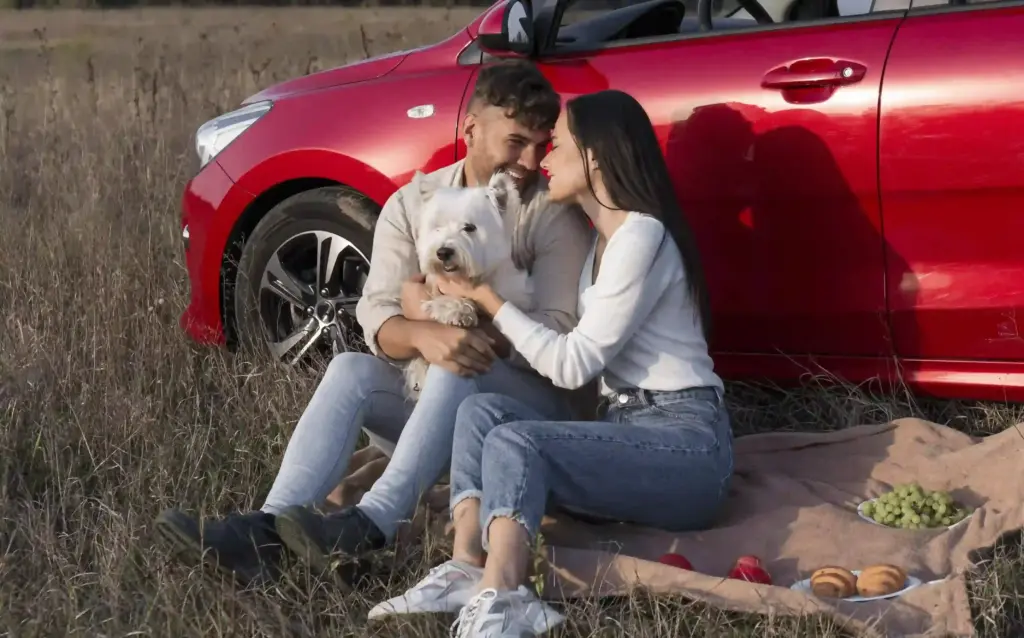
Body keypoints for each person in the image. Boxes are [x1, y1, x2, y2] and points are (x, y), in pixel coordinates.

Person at [154, 60, 592, 589]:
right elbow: (375, 312)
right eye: (516, 141)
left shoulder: (549, 216)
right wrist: (423, 332)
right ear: (471, 129)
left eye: (542, 146)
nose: (529, 161)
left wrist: (469, 331)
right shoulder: (415, 201)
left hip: (531, 411)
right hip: (441, 399)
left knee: (455, 358)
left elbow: (562, 337)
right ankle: (265, 531)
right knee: (351, 369)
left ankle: (376, 522)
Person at [368, 89, 735, 636]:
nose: (542, 159)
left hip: (685, 442)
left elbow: (573, 366)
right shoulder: (601, 245)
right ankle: (465, 565)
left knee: (517, 440)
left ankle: (506, 593)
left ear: (594, 156)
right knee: (481, 413)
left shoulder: (644, 235)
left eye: (556, 144)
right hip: (623, 427)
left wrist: (488, 300)